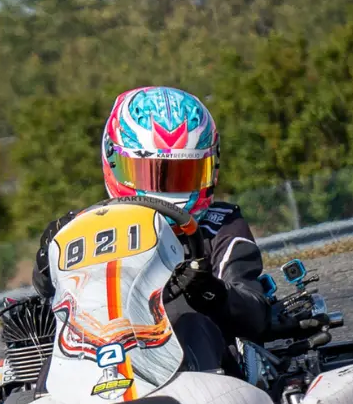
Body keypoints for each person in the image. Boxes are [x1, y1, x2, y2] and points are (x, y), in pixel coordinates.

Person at [31, 86, 273, 371]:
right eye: (151, 173)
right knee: (54, 351)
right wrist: (48, 257)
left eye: (183, 175)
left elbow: (256, 315)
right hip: (98, 361)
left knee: (194, 325)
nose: (167, 189)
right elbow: (51, 293)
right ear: (114, 161)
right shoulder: (89, 228)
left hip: (199, 381)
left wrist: (210, 291)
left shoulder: (220, 227)